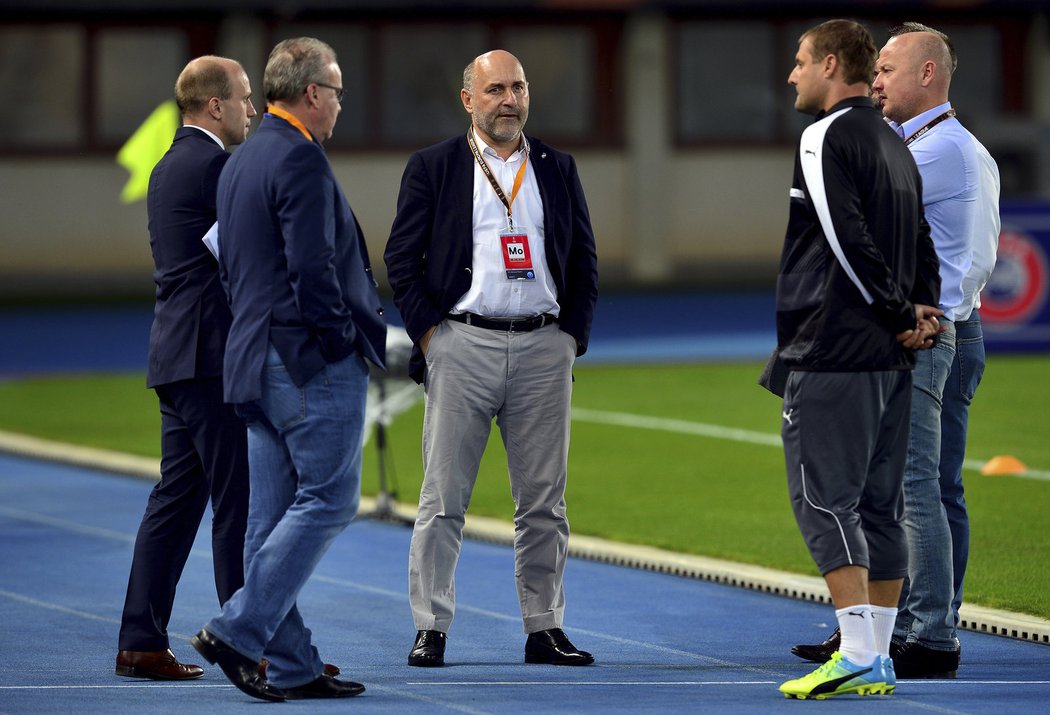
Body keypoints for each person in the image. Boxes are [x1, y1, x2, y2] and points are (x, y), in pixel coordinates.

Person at [792, 23, 1001, 679]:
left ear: (929, 75)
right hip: (954, 330)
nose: (875, 81)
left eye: (886, 69)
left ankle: (920, 633)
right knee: (933, 489)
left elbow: (857, 230)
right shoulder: (952, 147)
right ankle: (907, 624)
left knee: (908, 490)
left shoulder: (934, 151)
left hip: (927, 335)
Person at [384, 49, 599, 668]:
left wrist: (570, 337)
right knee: (443, 498)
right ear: (469, 100)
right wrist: (431, 336)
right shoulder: (434, 167)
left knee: (543, 502)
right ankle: (431, 626)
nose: (510, 100)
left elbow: (583, 258)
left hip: (543, 346)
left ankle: (544, 627)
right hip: (462, 343)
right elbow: (402, 260)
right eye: (497, 89)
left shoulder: (557, 167)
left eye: (519, 88)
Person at [189, 37, 386, 702]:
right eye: (335, 91)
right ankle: (237, 629)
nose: (339, 104)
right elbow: (312, 269)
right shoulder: (300, 158)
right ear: (311, 94)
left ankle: (294, 663)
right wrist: (337, 342)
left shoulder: (241, 161)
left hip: (250, 358)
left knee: (267, 521)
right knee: (330, 500)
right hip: (304, 359)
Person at [774, 19, 942, 700]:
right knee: (881, 506)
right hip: (891, 356)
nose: (792, 74)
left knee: (823, 500)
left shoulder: (826, 135)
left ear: (831, 64)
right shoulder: (896, 141)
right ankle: (875, 656)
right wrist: (922, 310)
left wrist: (901, 310)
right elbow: (921, 235)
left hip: (835, 345)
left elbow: (846, 239)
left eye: (800, 61)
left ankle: (859, 655)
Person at [115, 55, 255, 682]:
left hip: (175, 354)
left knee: (176, 500)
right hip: (211, 358)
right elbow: (248, 262)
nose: (253, 110)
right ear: (216, 105)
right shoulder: (216, 167)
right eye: (246, 99)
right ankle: (251, 645)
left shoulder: (171, 164)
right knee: (239, 503)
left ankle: (141, 641)